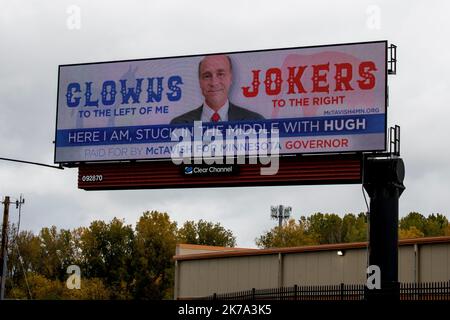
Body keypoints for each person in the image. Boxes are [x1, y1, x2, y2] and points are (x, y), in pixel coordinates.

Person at [170, 54, 264, 124]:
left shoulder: (255, 121)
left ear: (231, 78)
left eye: (220, 74)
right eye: (207, 76)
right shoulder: (178, 124)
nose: (214, 83)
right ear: (199, 81)